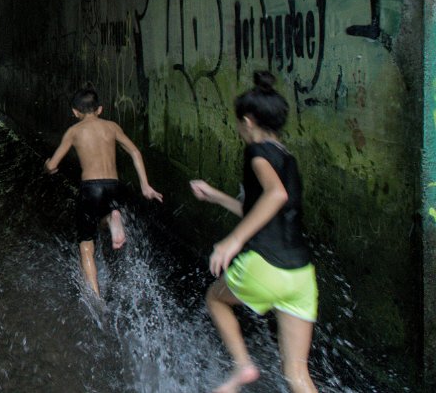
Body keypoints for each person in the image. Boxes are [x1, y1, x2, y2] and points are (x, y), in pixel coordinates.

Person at [189, 71, 318, 393]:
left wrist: (232, 241)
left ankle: (243, 366)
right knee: (298, 375)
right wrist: (215, 195)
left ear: (248, 122)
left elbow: (275, 196)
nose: (239, 130)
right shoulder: (287, 158)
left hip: (264, 265)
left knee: (216, 299)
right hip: (301, 276)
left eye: (238, 124)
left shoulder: (257, 152)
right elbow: (261, 212)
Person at [44, 87, 163, 295]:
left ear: (75, 112)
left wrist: (47, 166)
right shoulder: (112, 127)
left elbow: (53, 165)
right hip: (114, 186)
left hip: (90, 188)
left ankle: (95, 298)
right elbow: (135, 151)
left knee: (86, 245)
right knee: (102, 216)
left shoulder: (74, 132)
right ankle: (111, 218)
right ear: (99, 109)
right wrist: (145, 185)